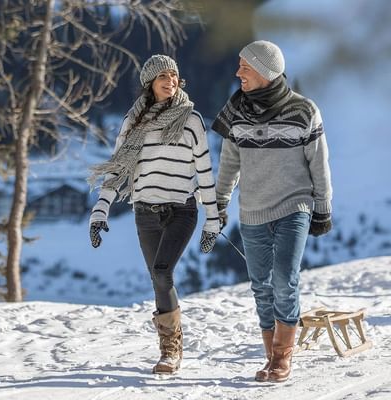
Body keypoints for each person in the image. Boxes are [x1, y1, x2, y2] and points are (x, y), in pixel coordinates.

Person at [88, 55, 220, 374]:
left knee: (162, 273)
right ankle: (168, 344)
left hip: (181, 210)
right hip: (144, 211)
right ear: (150, 81)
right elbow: (118, 169)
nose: (170, 80)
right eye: (163, 75)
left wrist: (212, 221)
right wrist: (99, 211)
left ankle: (170, 351)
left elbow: (204, 172)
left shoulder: (191, 120)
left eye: (174, 75)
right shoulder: (134, 123)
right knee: (157, 279)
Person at [212, 40, 332, 383]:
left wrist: (322, 208)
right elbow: (229, 164)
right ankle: (269, 356)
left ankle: (282, 357)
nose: (238, 73)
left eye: (244, 67)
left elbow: (319, 165)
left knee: (284, 279)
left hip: (294, 206)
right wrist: (219, 203)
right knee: (261, 286)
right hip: (252, 210)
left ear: (264, 71)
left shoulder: (303, 111)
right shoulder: (237, 112)